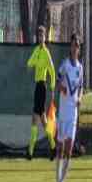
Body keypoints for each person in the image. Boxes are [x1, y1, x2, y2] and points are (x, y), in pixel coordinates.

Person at [55, 33, 84, 182]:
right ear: (70, 47)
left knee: (69, 150)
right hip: (63, 112)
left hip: (73, 113)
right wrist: (61, 88)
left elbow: (80, 87)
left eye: (77, 46)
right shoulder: (65, 65)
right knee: (59, 151)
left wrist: (79, 98)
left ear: (79, 49)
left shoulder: (80, 68)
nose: (74, 48)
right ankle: (57, 180)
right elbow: (57, 82)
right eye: (73, 45)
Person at [26, 26, 57, 160]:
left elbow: (52, 70)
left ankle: (30, 152)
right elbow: (29, 63)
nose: (40, 38)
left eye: (42, 36)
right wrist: (34, 61)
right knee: (42, 120)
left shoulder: (46, 52)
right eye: (38, 36)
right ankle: (53, 147)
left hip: (42, 86)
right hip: (37, 87)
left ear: (45, 37)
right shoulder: (37, 51)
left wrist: (52, 86)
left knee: (37, 118)